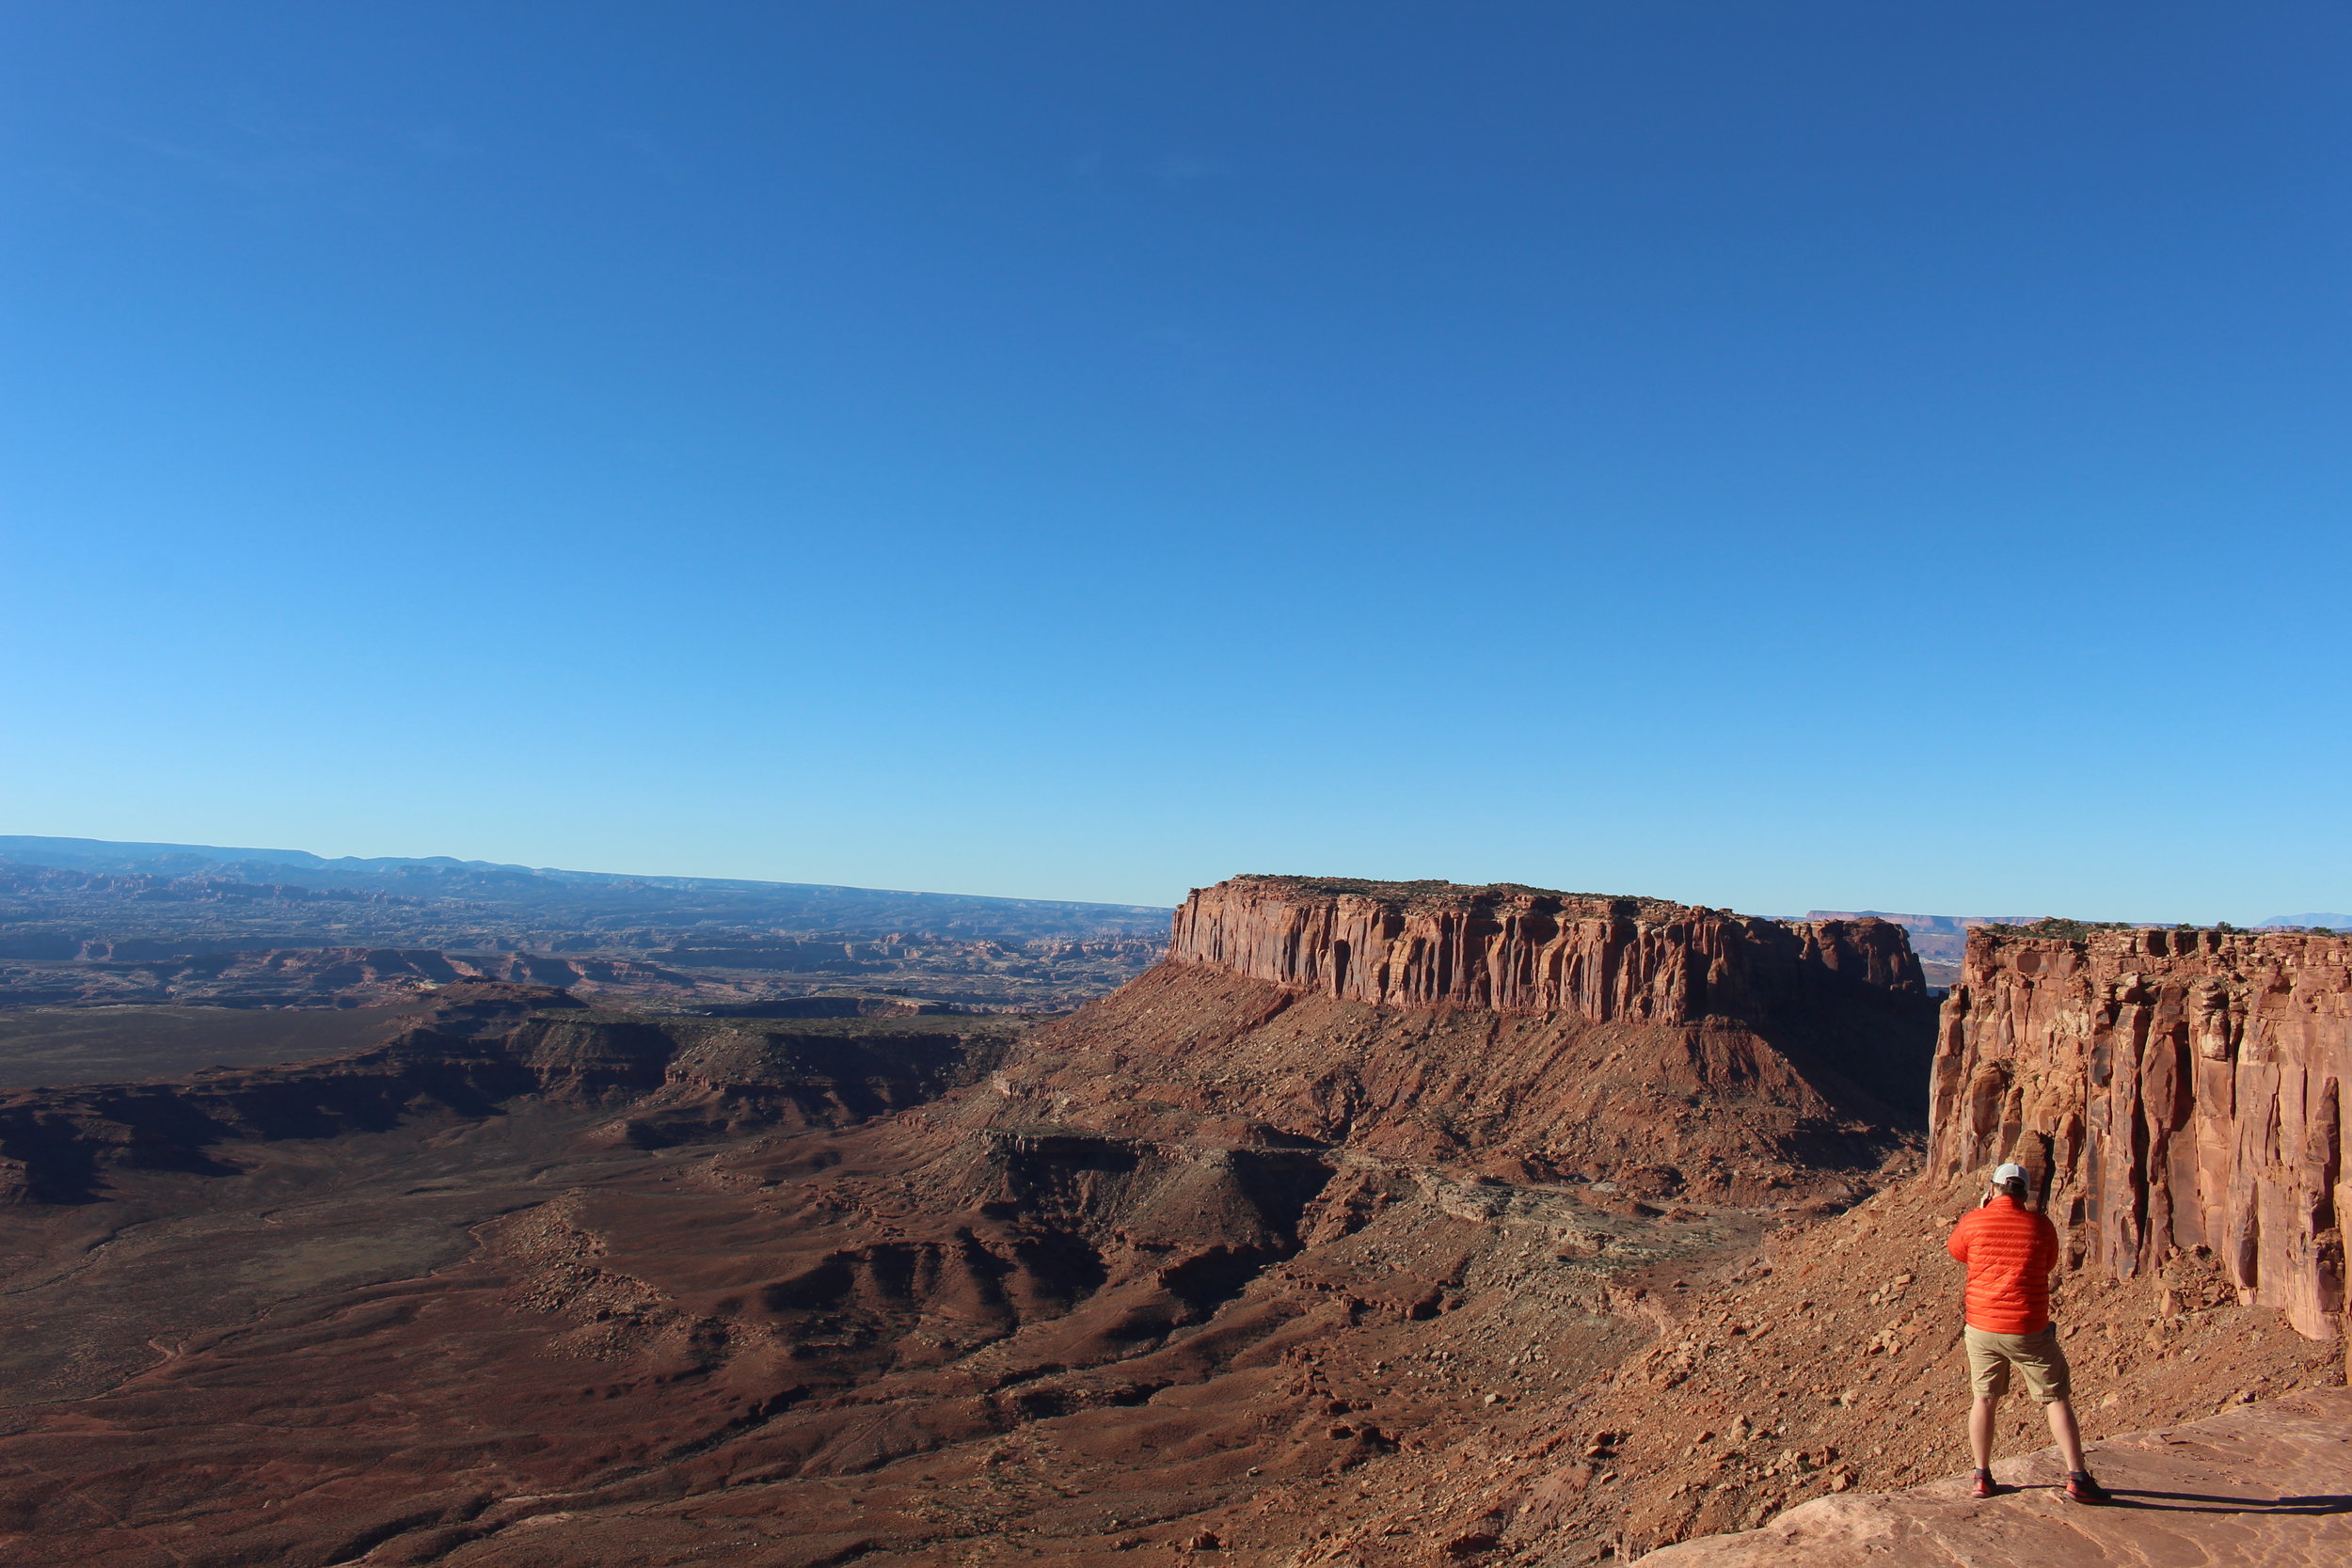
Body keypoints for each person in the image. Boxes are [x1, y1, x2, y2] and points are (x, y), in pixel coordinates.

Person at [1945, 1161, 2109, 1503]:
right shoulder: (2041, 1225)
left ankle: (1981, 1478)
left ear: (1994, 1189)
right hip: (2027, 1329)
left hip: (1982, 1327)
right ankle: (2078, 1478)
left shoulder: (1974, 1221)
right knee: (2056, 1397)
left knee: (1984, 1398)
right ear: (2025, 1194)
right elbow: (2047, 1264)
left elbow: (1957, 1251)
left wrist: (1983, 1212)